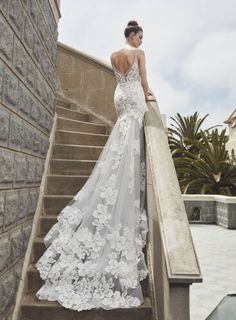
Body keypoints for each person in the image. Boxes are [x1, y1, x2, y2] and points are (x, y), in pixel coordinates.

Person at [35, 19, 154, 311]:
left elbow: (121, 80)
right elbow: (143, 83)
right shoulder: (137, 53)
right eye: (140, 36)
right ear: (134, 36)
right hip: (133, 97)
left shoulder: (114, 55)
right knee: (131, 139)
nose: (141, 40)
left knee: (122, 136)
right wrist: (150, 95)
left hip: (119, 97)